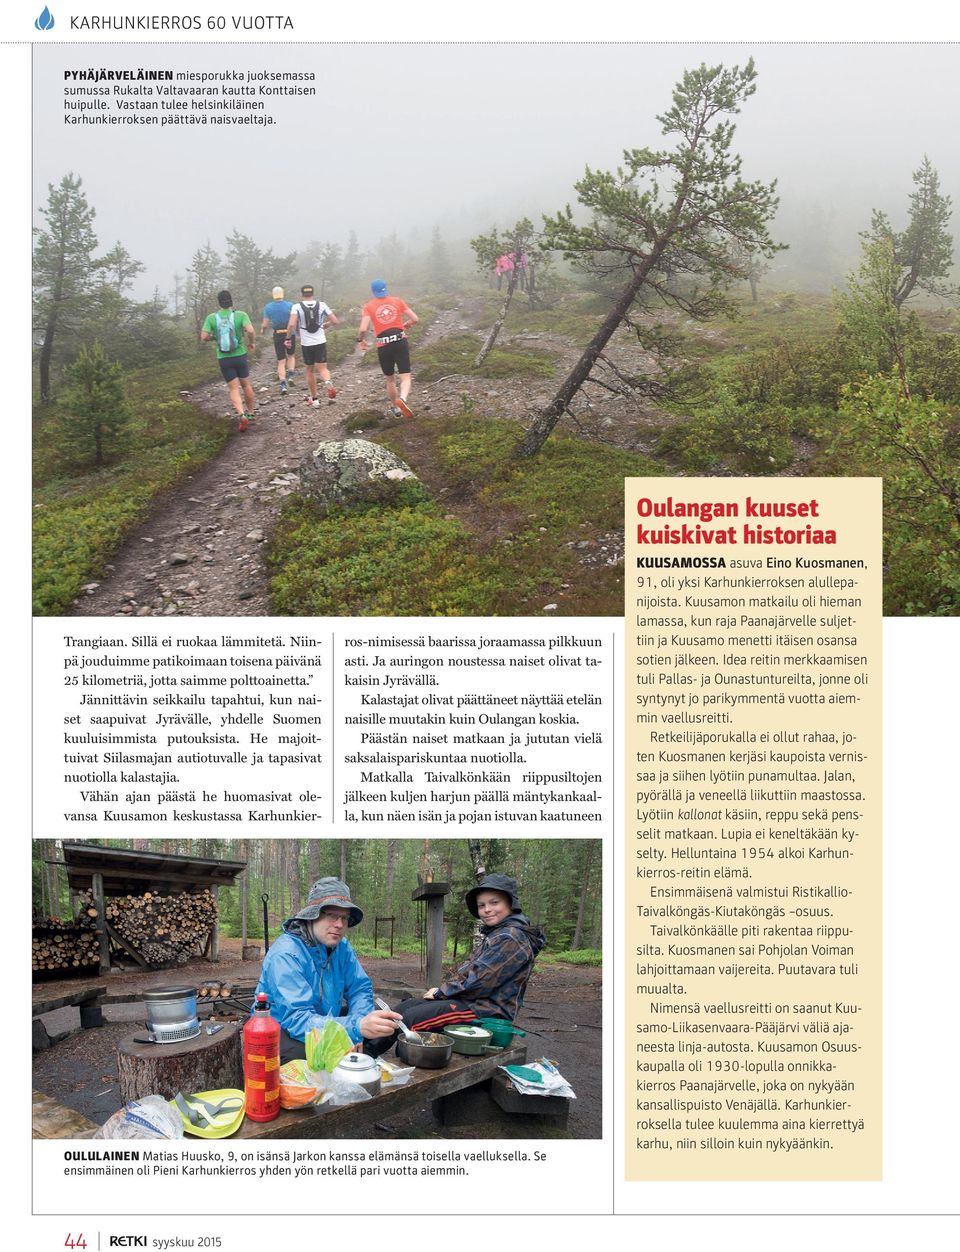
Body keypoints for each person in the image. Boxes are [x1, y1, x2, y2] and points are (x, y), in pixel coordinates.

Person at [364, 873, 546, 1057]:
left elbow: (479, 982)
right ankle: (361, 1052)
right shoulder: (498, 934)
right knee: (406, 1007)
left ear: (511, 903)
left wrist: (441, 992)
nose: (487, 909)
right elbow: (470, 973)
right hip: (471, 1001)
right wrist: (442, 992)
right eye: (482, 905)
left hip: (488, 1012)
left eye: (494, 903)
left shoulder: (511, 938)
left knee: (411, 1019)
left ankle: (369, 1060)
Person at [254, 877, 402, 1064]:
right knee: (302, 1055)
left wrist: (357, 1028)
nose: (339, 925)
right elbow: (297, 1019)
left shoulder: (342, 947)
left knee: (385, 1022)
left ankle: (352, 1060)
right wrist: (356, 1027)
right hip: (284, 1030)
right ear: (312, 915)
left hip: (324, 1020)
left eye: (345, 918)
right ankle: (343, 1065)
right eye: (332, 915)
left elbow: (360, 988)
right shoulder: (286, 954)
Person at [357, 279, 419, 418]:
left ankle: (396, 408)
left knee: (390, 379)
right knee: (405, 376)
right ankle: (402, 398)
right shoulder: (398, 301)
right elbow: (415, 318)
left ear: (373, 291)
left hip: (383, 345)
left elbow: (362, 328)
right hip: (400, 341)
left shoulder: (368, 306)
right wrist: (407, 324)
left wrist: (360, 340)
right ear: (385, 289)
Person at [200, 290, 257, 432]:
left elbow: (204, 336)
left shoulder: (212, 318)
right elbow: (250, 330)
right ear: (231, 301)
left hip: (224, 358)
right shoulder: (240, 315)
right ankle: (250, 413)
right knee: (246, 385)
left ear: (219, 302)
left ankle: (241, 414)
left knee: (233, 388)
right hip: (240, 355)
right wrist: (251, 342)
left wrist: (215, 338)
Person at [285, 284, 338, 408]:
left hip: (306, 343)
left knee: (309, 370)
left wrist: (288, 338)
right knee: (323, 368)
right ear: (313, 294)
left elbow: (291, 324)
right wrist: (326, 325)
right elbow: (335, 321)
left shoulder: (296, 307)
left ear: (302, 294)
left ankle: (315, 399)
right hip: (320, 340)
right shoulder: (322, 305)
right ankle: (328, 382)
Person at [261, 285, 296, 395]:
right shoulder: (290, 305)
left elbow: (265, 323)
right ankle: (290, 376)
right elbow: (295, 320)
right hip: (290, 334)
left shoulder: (268, 307)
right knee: (291, 355)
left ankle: (282, 384)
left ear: (273, 295)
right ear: (282, 294)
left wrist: (262, 330)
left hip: (278, 335)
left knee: (281, 361)